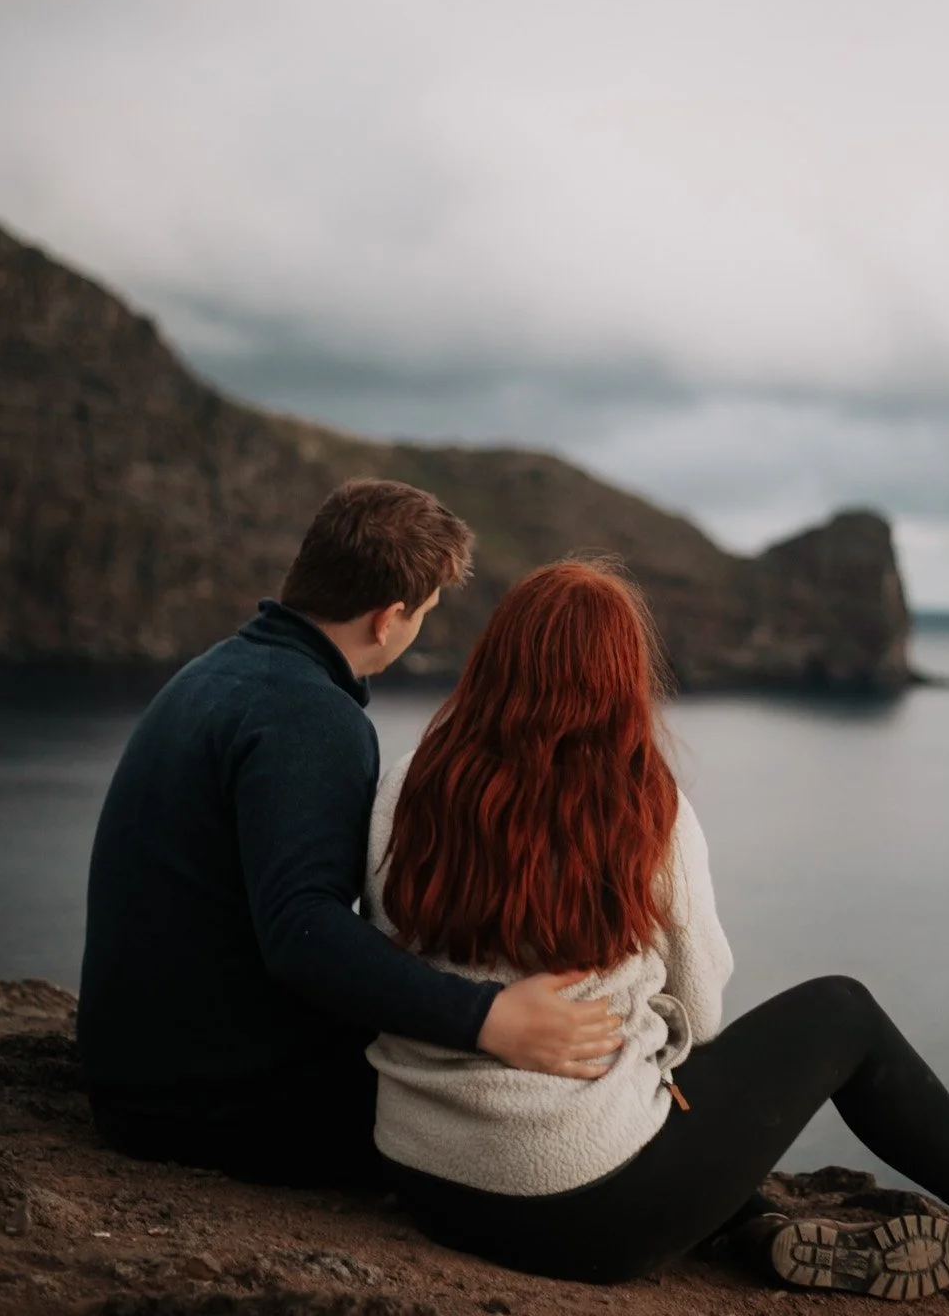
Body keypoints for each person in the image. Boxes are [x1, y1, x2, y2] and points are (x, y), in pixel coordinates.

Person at [365, 559, 949, 1296]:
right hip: (586, 1217)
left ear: (496, 657)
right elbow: (702, 1011)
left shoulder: (408, 780)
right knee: (841, 1011)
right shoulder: (642, 809)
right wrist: (648, 1022)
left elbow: (385, 948)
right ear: (622, 677)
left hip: (426, 1181)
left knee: (665, 1122)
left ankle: (755, 1229)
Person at [78, 480, 621, 1186]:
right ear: (388, 617)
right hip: (208, 1106)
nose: (419, 626)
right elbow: (303, 931)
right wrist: (487, 1018)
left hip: (138, 1075)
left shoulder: (213, 674)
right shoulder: (313, 718)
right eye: (425, 612)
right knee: (523, 1103)